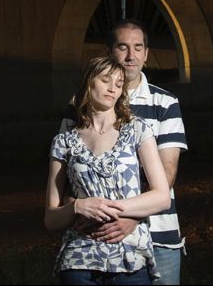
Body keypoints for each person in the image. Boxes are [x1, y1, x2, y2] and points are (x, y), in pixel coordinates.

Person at [63, 19, 188, 285]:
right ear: (108, 52)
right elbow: (67, 173)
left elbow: (167, 172)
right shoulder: (78, 107)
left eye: (138, 47)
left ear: (145, 53)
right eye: (122, 47)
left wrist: (131, 217)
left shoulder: (164, 103)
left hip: (158, 232)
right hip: (98, 234)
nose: (131, 56)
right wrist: (80, 213)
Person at [46, 56, 172, 285]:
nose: (113, 88)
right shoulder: (63, 142)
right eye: (106, 80)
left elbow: (162, 197)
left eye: (119, 83)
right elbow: (51, 218)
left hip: (129, 258)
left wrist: (111, 209)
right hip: (79, 260)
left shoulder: (137, 130)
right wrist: (78, 206)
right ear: (88, 83)